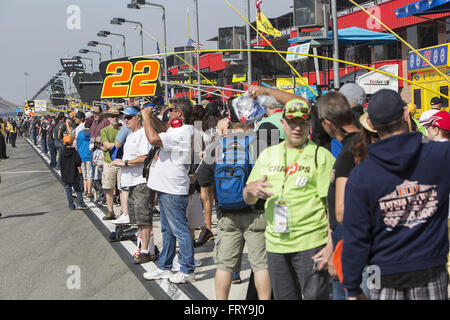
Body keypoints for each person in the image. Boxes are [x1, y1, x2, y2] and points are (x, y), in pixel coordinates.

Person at [342, 89, 450, 300]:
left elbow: (356, 237)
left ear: (371, 125)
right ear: (404, 116)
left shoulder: (361, 175)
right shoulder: (440, 156)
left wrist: (352, 286)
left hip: (382, 273)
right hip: (430, 270)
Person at [244, 97, 335, 300]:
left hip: (311, 243)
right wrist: (251, 190)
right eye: (292, 122)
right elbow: (248, 198)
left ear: (309, 124)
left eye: (302, 123)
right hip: (276, 244)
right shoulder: (268, 154)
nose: (297, 128)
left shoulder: (321, 156)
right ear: (283, 123)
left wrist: (330, 245)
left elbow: (331, 205)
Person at [196, 99, 271, 300]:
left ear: (230, 121)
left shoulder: (217, 145)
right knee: (261, 265)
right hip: (257, 213)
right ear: (252, 120)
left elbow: (202, 178)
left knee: (224, 266)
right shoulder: (261, 142)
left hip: (226, 213)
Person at [316, 91, 371, 300]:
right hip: (354, 247)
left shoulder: (350, 153)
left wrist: (337, 249)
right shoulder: (364, 142)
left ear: (329, 123)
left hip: (353, 251)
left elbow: (341, 213)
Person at [142, 97, 196, 284]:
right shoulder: (177, 129)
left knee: (179, 230)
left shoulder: (182, 133)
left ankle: (187, 269)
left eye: (171, 110)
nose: (169, 113)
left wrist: (146, 117)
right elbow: (164, 129)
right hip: (166, 188)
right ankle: (165, 267)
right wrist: (154, 115)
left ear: (179, 114)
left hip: (173, 189)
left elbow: (153, 138)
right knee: (167, 231)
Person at [110, 105, 157, 264]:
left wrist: (125, 162)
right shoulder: (130, 135)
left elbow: (145, 157)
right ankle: (148, 248)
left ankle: (145, 250)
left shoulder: (143, 133)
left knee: (144, 218)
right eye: (124, 117)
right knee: (137, 218)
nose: (125, 120)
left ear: (138, 118)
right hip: (131, 182)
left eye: (129, 117)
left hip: (141, 181)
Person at [100, 107, 121, 220]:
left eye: (117, 116)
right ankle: (110, 210)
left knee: (123, 188)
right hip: (109, 162)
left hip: (122, 162)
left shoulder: (123, 129)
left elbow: (108, 145)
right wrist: (118, 144)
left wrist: (110, 145)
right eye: (112, 116)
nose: (115, 118)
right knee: (109, 187)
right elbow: (106, 145)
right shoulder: (104, 130)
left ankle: (124, 211)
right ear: (108, 118)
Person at [60, 135, 88, 211]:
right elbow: (78, 162)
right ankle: (80, 203)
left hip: (65, 174)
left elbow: (60, 163)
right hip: (74, 173)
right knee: (78, 189)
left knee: (68, 190)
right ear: (72, 142)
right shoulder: (74, 152)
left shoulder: (62, 152)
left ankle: (71, 205)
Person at [75, 112, 94, 201]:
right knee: (90, 174)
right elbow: (93, 144)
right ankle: (90, 192)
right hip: (89, 155)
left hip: (81, 155)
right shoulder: (91, 134)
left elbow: (77, 145)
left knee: (84, 175)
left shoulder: (79, 133)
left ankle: (85, 191)